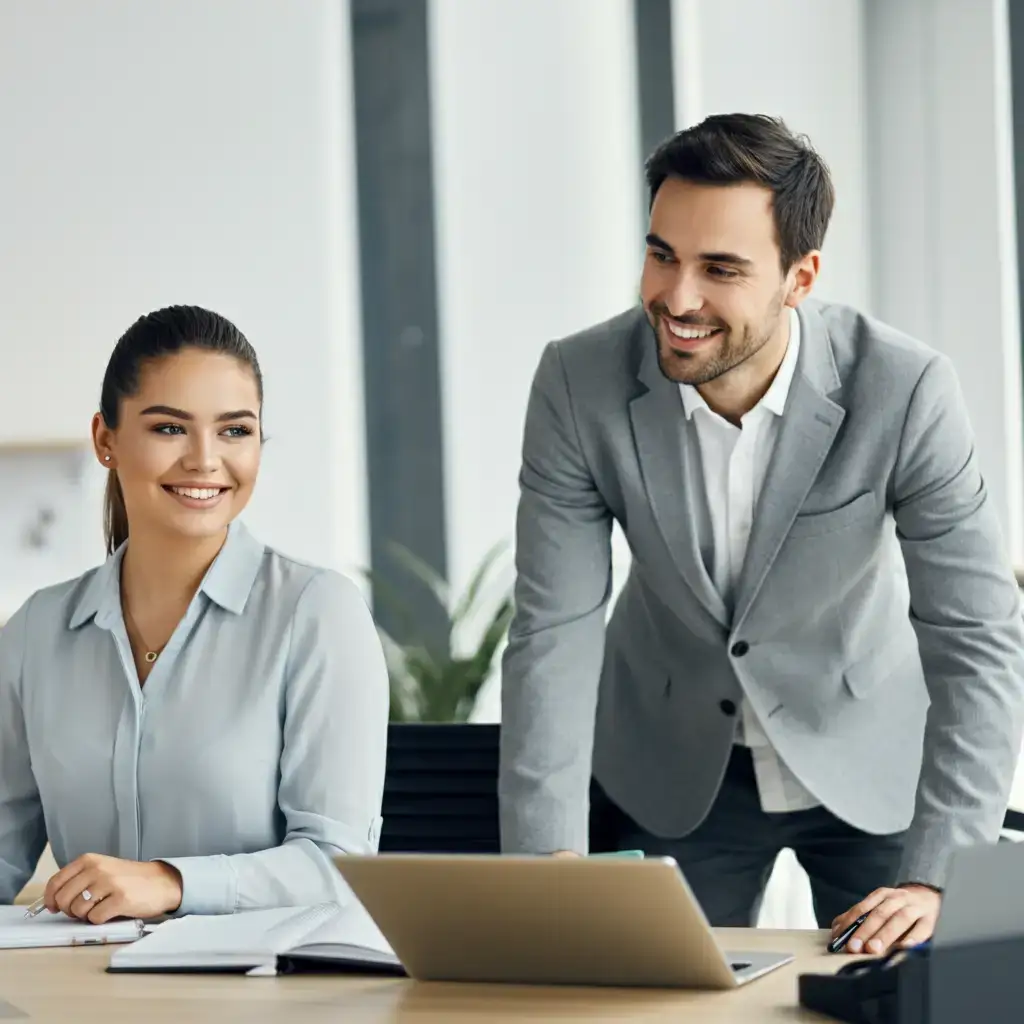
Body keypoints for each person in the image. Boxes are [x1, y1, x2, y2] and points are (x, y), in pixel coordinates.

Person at [498, 113, 1024, 956]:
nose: (677, 298)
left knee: (923, 992)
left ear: (799, 277)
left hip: (872, 755)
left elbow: (978, 636)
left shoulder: (906, 389)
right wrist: (544, 860)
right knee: (649, 999)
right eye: (662, 254)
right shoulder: (577, 381)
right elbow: (552, 631)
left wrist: (939, 876)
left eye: (721, 269)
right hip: (673, 764)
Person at [0, 305, 389, 921]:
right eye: (169, 428)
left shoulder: (317, 614)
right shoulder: (35, 632)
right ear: (106, 440)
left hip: (261, 979)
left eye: (235, 431)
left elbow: (339, 864)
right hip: (76, 977)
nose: (205, 460)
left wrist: (171, 883)